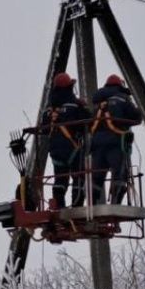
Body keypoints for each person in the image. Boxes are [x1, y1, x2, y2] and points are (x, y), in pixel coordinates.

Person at [90, 74, 143, 205]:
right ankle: (116, 202)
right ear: (120, 85)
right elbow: (136, 117)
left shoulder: (97, 102)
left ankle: (92, 203)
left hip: (97, 145)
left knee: (97, 176)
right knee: (120, 173)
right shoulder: (123, 99)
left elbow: (90, 122)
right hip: (115, 143)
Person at [40, 72, 91, 208]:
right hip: (72, 148)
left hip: (55, 150)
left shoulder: (48, 110)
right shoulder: (75, 106)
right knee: (78, 177)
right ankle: (77, 206)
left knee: (60, 178)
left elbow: (44, 129)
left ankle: (59, 205)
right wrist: (84, 108)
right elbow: (88, 123)